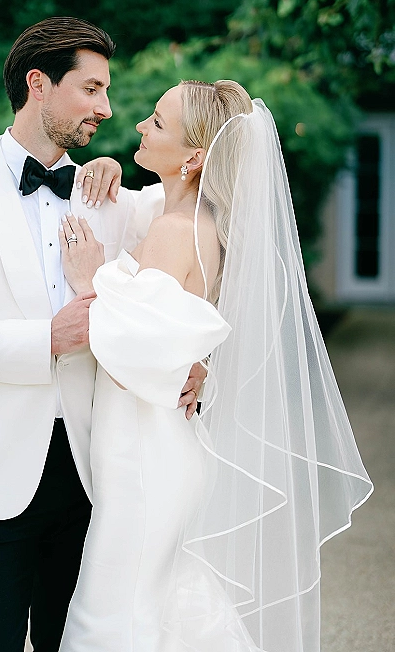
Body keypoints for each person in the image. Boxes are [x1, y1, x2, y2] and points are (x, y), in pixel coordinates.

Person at [0, 16, 204, 652]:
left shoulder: (113, 198)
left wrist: (193, 362)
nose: (107, 108)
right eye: (90, 89)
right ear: (39, 83)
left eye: (107, 91)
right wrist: (45, 340)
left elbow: (198, 244)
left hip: (94, 483)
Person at [57, 80, 373, 651]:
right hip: (159, 448)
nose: (139, 127)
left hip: (145, 458)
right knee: (148, 603)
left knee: (114, 614)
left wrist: (86, 280)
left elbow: (137, 360)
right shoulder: (198, 223)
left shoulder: (177, 232)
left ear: (194, 156)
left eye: (156, 121)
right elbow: (173, 345)